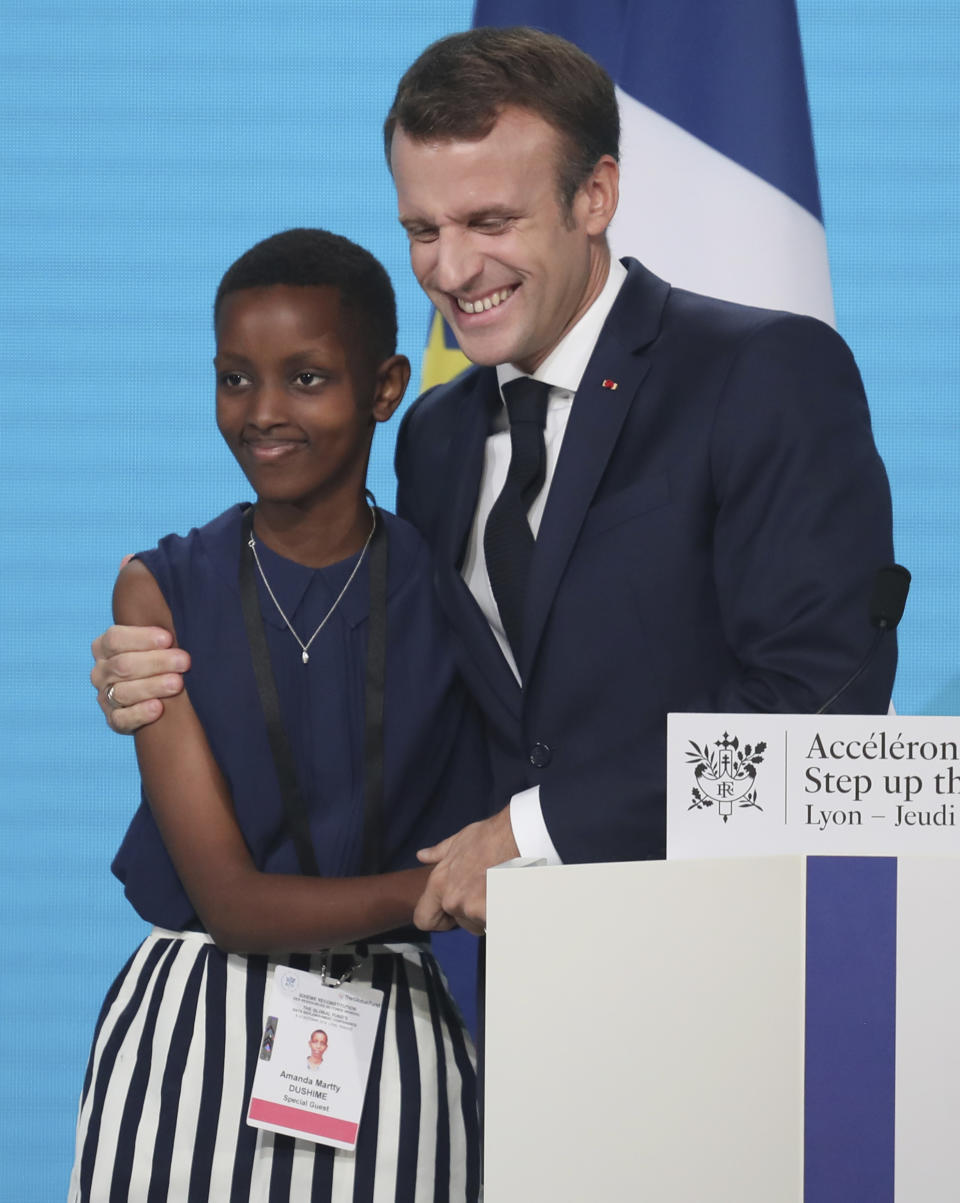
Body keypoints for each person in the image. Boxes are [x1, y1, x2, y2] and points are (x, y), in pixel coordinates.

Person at [89, 28, 897, 940]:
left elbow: (820, 705)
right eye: (422, 230)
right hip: (505, 991)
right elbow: (428, 708)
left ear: (594, 196)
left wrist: (535, 827)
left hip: (735, 962)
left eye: (489, 222)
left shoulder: (759, 372)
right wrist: (173, 671)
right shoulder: (435, 435)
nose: (452, 270)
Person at [71, 229, 483, 1202]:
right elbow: (234, 905)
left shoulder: (455, 589)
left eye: (306, 379)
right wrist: (448, 890)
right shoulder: (159, 589)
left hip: (402, 1034)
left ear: (385, 387)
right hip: (189, 1030)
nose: (262, 414)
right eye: (233, 379)